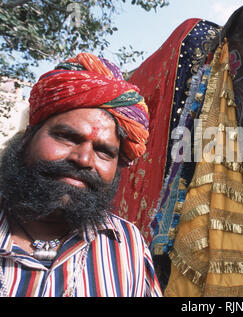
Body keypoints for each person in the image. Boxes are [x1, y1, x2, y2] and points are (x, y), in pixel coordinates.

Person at [0, 53, 162, 297]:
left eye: (104, 152)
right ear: (27, 138)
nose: (84, 160)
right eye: (66, 137)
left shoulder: (129, 245)